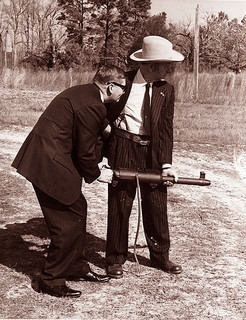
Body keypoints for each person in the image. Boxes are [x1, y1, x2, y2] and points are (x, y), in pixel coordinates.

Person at [11, 65, 126, 298]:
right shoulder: (93, 104)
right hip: (48, 164)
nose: (124, 92)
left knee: (78, 209)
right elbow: (83, 152)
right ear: (111, 86)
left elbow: (81, 138)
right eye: (122, 87)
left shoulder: (85, 94)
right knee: (67, 222)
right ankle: (51, 279)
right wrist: (96, 173)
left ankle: (75, 265)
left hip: (50, 158)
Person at [105, 36, 185, 279]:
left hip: (153, 152)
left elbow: (165, 129)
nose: (169, 70)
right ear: (149, 65)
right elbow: (101, 113)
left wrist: (166, 163)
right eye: (164, 65)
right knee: (120, 202)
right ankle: (115, 258)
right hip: (124, 147)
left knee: (156, 202)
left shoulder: (166, 90)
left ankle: (161, 256)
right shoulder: (122, 83)